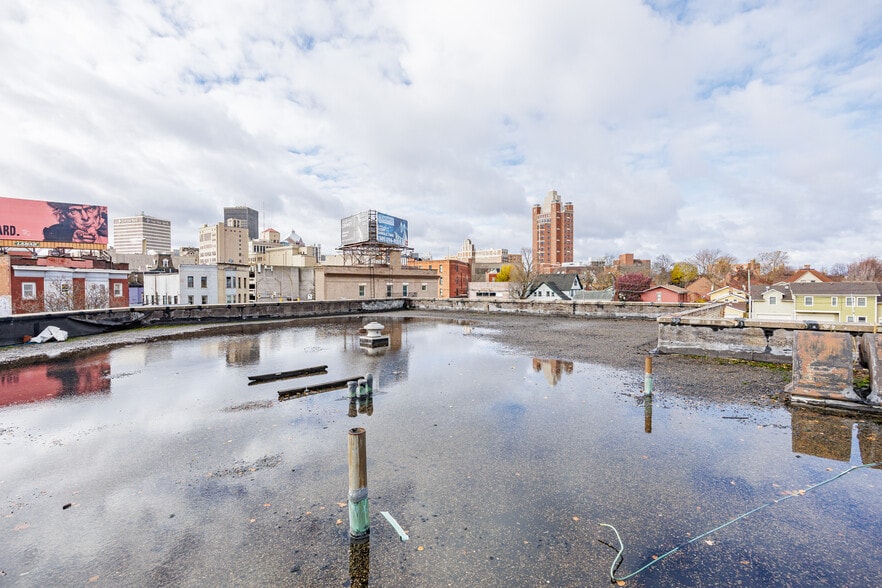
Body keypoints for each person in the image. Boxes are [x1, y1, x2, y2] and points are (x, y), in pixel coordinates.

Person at [43, 202, 107, 243]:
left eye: (91, 209)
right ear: (64, 215)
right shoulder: (58, 231)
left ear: (100, 209)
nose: (85, 217)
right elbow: (53, 232)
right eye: (74, 211)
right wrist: (71, 236)